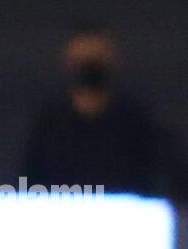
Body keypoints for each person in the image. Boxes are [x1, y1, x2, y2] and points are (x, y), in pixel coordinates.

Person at [22, 27, 162, 195]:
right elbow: (30, 181)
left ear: (113, 60)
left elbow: (156, 179)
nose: (89, 66)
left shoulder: (136, 124)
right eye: (83, 60)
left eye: (96, 59)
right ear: (68, 62)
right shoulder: (48, 126)